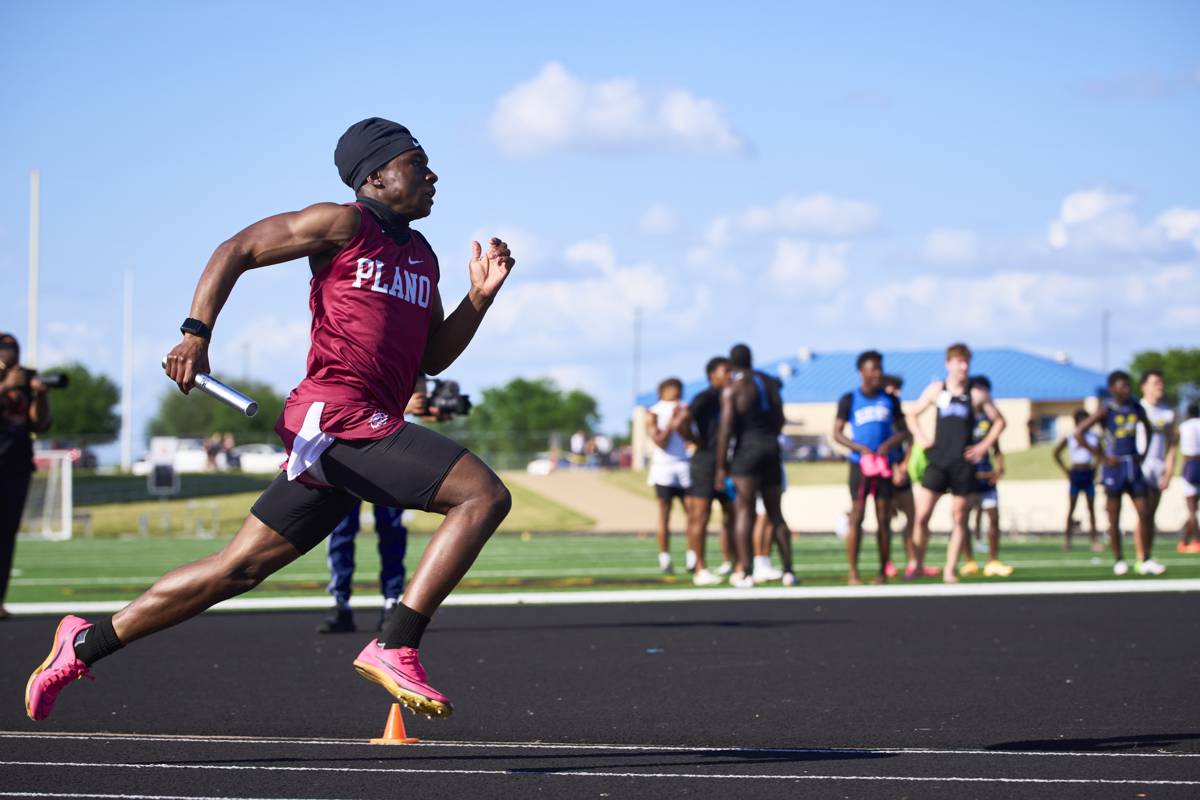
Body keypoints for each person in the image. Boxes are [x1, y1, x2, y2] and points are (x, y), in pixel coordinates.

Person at [25, 117, 516, 723]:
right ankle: (396, 642)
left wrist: (480, 299)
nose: (433, 174)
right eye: (419, 164)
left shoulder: (421, 256)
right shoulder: (344, 223)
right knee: (482, 496)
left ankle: (81, 644)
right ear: (377, 175)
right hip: (334, 416)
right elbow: (237, 248)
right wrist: (195, 333)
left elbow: (432, 357)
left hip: (352, 431)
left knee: (238, 568)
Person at [318, 388, 432, 633]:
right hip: (346, 448)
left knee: (390, 530)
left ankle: (391, 602)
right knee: (341, 530)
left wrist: (420, 405)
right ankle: (340, 603)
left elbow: (422, 403)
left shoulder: (407, 356)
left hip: (389, 450)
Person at [905, 343, 1005, 583]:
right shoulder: (936, 390)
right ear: (948, 364)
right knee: (921, 516)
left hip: (963, 464)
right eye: (959, 361)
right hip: (938, 461)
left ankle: (950, 569)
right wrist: (920, 437)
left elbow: (1000, 421)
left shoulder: (977, 393)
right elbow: (911, 414)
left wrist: (983, 446)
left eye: (967, 362)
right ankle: (916, 563)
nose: (964, 366)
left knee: (959, 517)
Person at [715, 343, 795, 587]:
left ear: (731, 364)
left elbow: (726, 428)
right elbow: (781, 418)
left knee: (744, 512)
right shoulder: (769, 383)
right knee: (775, 513)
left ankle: (746, 571)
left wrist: (721, 467)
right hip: (771, 449)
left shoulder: (733, 388)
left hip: (746, 452)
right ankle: (789, 570)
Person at [1075, 371, 1164, 576]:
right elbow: (1079, 432)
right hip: (1114, 469)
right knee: (1114, 515)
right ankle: (1119, 559)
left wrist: (1143, 453)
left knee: (1145, 512)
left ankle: (1146, 558)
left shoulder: (1135, 407)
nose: (1126, 389)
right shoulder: (1107, 409)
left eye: (1128, 385)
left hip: (1133, 466)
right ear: (1112, 388)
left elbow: (1149, 429)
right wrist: (1102, 456)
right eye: (1122, 386)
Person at [833, 351, 909, 585]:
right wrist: (859, 448)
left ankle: (882, 572)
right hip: (860, 466)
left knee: (884, 518)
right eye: (872, 368)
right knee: (857, 516)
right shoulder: (849, 399)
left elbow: (904, 431)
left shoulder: (890, 400)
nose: (877, 373)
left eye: (879, 368)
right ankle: (853, 572)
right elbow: (837, 433)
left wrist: (889, 445)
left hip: (883, 466)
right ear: (861, 372)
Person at [0, 333, 52, 621]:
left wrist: (41, 395)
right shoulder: (8, 381)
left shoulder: (24, 382)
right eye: (6, 349)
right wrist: (7, 385)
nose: (12, 354)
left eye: (14, 349)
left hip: (16, 464)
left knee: (6, 535)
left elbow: (39, 422)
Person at [679, 357, 733, 586]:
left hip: (730, 462)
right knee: (700, 515)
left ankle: (735, 563)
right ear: (713, 375)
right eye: (726, 372)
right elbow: (681, 421)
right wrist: (695, 440)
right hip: (705, 461)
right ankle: (699, 567)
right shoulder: (705, 397)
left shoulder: (735, 395)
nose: (730, 376)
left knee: (732, 513)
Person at [961, 376, 1013, 577]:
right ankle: (969, 561)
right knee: (963, 518)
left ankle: (992, 560)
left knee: (993, 518)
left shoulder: (990, 421)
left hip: (986, 477)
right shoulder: (962, 418)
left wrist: (999, 469)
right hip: (967, 478)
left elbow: (996, 448)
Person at [646, 377, 691, 574]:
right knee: (664, 514)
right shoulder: (654, 412)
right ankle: (665, 558)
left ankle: (693, 557)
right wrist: (673, 423)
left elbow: (693, 437)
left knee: (693, 514)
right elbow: (660, 441)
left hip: (684, 466)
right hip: (663, 468)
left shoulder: (686, 408)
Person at [1138, 370, 1178, 556]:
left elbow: (1172, 443)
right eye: (1156, 383)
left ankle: (1147, 555)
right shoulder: (1137, 409)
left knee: (1151, 514)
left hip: (1158, 466)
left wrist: (1169, 470)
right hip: (1140, 467)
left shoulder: (1167, 413)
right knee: (1143, 513)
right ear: (1144, 386)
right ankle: (1142, 557)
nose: (1160, 386)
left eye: (1162, 382)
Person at [881, 374, 918, 577]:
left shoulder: (899, 416)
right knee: (885, 518)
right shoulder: (881, 415)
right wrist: (892, 469)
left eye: (897, 389)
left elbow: (910, 440)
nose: (896, 393)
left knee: (911, 517)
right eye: (892, 388)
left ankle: (913, 561)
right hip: (884, 473)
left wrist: (903, 466)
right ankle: (886, 562)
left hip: (901, 474)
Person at [1053, 409, 1102, 551]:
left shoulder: (1094, 437)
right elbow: (1056, 453)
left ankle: (1094, 541)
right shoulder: (1070, 436)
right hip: (1076, 473)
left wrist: (1095, 469)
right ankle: (1067, 541)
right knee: (1071, 508)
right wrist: (1066, 470)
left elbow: (1100, 454)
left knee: (1091, 508)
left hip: (1088, 473)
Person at [1178, 404, 1200, 553]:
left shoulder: (1183, 426)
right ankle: (1184, 541)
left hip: (1190, 464)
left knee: (1191, 509)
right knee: (1194, 508)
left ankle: (1196, 541)